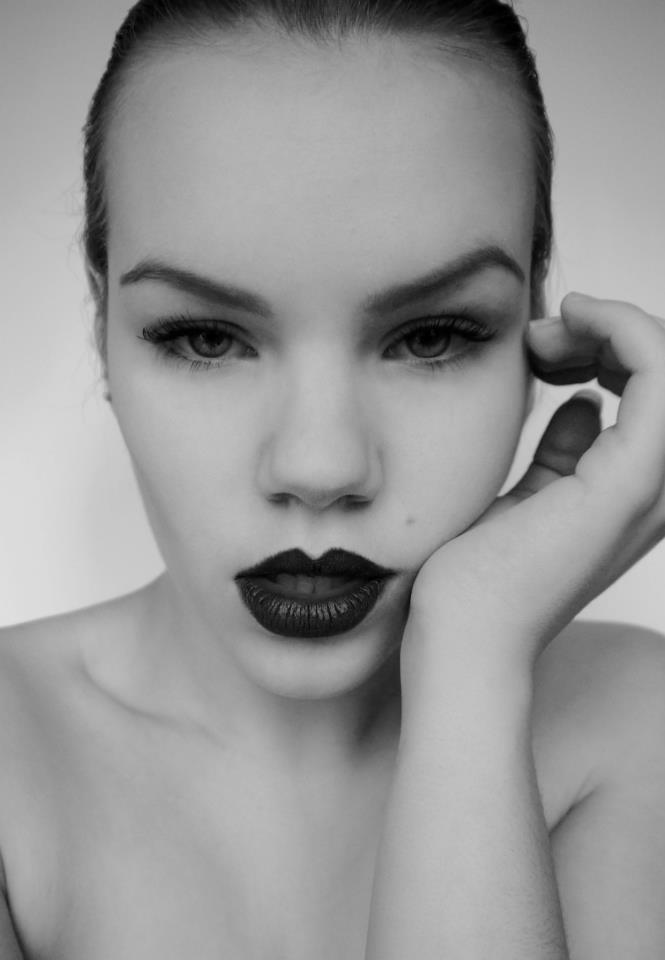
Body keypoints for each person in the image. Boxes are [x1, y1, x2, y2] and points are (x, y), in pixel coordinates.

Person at [1, 0, 664, 956]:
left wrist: (471, 657)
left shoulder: (637, 719)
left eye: (431, 336)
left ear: (535, 322)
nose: (319, 468)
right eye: (205, 338)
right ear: (103, 328)